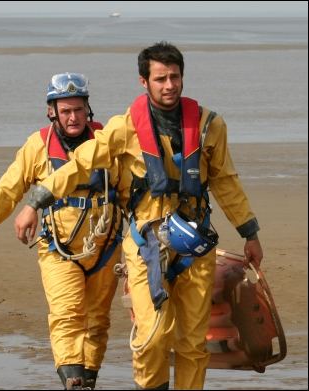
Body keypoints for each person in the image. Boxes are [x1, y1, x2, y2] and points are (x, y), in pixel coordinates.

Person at [15, 42, 263, 390]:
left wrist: (249, 232)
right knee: (153, 336)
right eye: (160, 78)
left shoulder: (210, 126)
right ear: (143, 82)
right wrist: (35, 202)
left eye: (175, 77)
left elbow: (226, 183)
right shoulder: (124, 127)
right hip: (147, 244)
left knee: (194, 343)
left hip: (196, 246)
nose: (169, 85)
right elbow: (81, 163)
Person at [0, 72, 128, 389]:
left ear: (87, 109)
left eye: (78, 109)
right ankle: (73, 380)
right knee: (67, 314)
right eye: (65, 110)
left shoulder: (106, 142)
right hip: (58, 249)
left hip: (106, 248)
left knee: (97, 322)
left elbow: (129, 190)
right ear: (52, 111)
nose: (73, 117)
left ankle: (88, 379)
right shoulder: (37, 146)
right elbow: (7, 190)